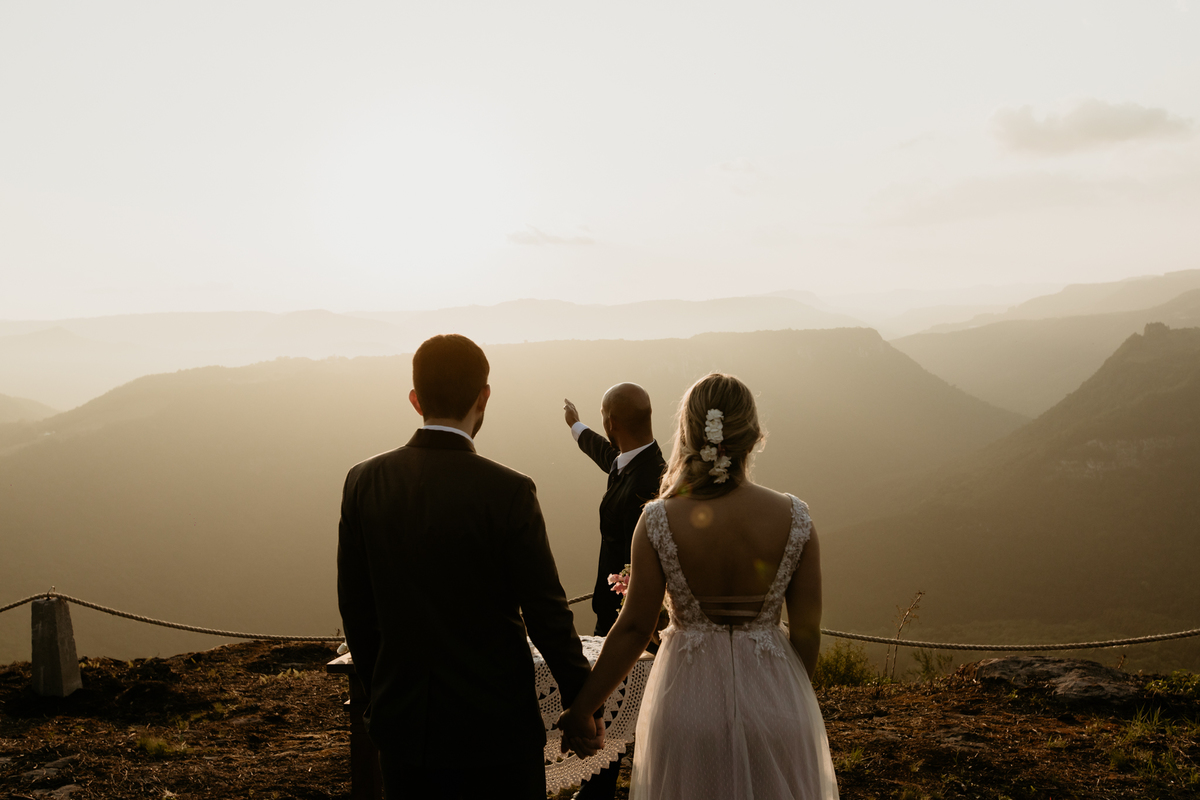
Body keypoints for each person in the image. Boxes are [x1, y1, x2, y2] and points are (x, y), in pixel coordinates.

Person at [338, 334, 603, 800]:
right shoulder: (509, 491)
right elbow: (546, 613)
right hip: (496, 728)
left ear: (415, 399)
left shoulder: (364, 481)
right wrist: (580, 702)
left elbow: (357, 609)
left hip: (404, 727)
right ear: (484, 397)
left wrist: (382, 695)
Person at [556, 373, 840, 799]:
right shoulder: (796, 518)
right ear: (755, 435)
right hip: (777, 701)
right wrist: (789, 698)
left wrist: (584, 708)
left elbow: (634, 629)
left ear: (686, 433)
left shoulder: (658, 520)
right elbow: (806, 632)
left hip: (687, 702)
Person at [563, 384, 666, 800]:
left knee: (615, 701)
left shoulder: (651, 481)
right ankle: (596, 785)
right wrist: (576, 426)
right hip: (615, 609)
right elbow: (606, 456)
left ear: (613, 422)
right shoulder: (632, 461)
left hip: (631, 616)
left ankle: (597, 788)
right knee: (612, 700)